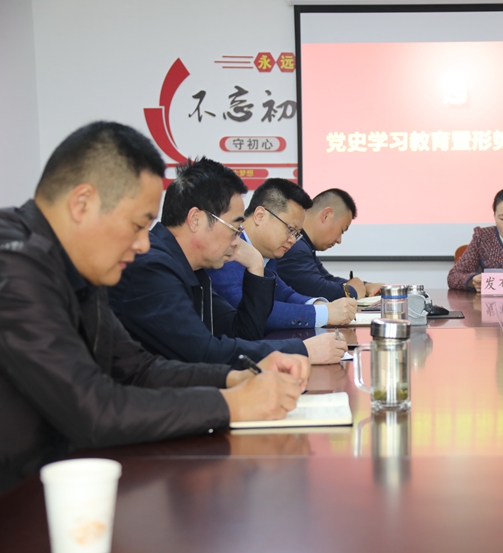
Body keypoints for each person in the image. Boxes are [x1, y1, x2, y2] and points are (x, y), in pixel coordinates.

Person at [0, 122, 309, 492]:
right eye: (137, 225)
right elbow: (94, 410)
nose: (143, 244)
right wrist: (233, 405)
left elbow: (138, 369)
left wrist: (236, 379)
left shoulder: (80, 262)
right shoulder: (14, 265)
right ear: (82, 204)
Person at [109, 158, 346, 365]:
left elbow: (243, 333)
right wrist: (301, 351)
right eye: (234, 227)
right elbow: (204, 353)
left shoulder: (193, 268)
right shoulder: (152, 267)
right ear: (196, 219)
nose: (237, 240)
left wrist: (255, 265)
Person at [208, 178, 357, 330]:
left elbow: (285, 294)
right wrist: (323, 314)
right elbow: (253, 311)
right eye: (290, 230)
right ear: (260, 215)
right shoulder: (227, 250)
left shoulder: (269, 253)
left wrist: (319, 305)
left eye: (297, 234)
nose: (293, 240)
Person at [277, 188, 383, 300]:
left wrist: (365, 287)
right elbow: (318, 289)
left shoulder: (305, 244)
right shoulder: (295, 245)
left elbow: (327, 279)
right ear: (326, 215)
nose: (339, 240)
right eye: (342, 230)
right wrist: (351, 291)